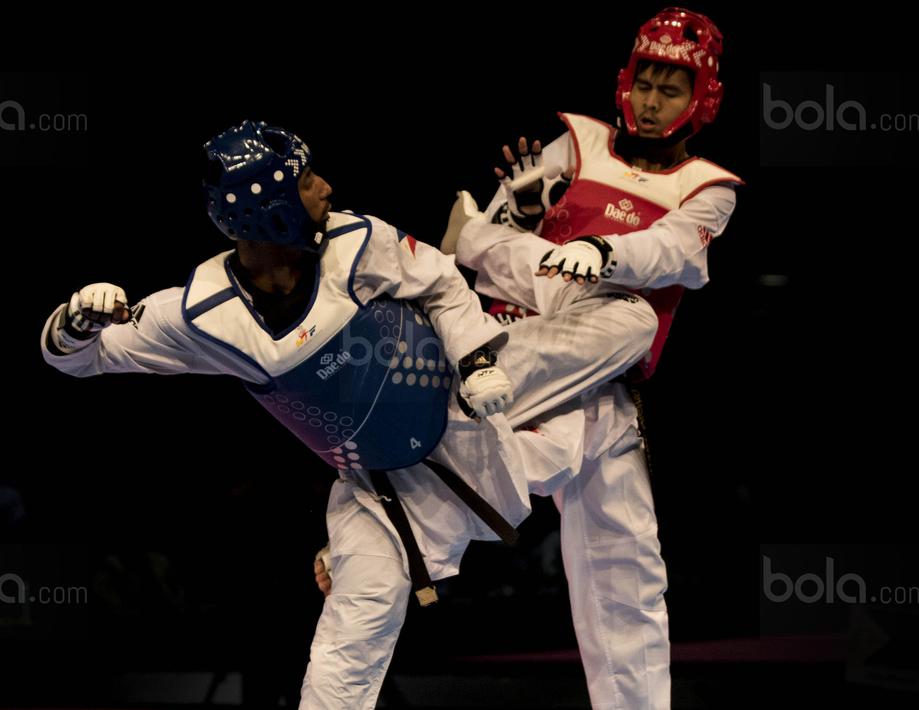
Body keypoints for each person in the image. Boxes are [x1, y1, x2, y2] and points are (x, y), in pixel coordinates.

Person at [42, 119, 658, 709]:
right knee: (347, 650)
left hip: (466, 386)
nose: (326, 187)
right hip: (384, 489)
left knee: (632, 320)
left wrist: (476, 359)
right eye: (307, 181)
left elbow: (441, 280)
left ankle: (524, 286)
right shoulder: (204, 318)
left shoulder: (355, 240)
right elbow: (79, 359)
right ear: (272, 206)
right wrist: (73, 325)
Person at [319, 8, 745, 708]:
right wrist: (515, 231)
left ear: (700, 98)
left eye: (669, 89)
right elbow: (465, 244)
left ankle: (382, 501)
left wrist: (587, 251)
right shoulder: (575, 143)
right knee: (620, 315)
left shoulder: (709, 189)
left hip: (600, 390)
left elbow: (673, 255)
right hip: (511, 363)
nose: (650, 100)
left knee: (629, 579)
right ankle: (373, 520)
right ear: (624, 80)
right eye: (644, 82)